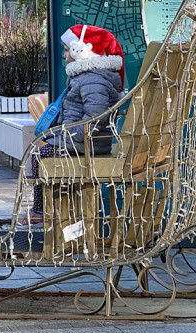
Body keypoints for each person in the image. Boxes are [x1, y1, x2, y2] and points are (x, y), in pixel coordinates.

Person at [24, 24, 124, 225]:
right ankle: (50, 210)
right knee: (40, 152)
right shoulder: (87, 78)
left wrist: (69, 137)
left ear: (83, 51)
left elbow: (96, 116)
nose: (64, 55)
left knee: (40, 155)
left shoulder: (92, 80)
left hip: (88, 144)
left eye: (68, 49)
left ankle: (41, 210)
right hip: (84, 141)